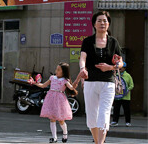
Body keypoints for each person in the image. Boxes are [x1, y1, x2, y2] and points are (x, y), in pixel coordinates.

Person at [78, 11, 123, 144]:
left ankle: (100, 143)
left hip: (108, 83)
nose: (102, 23)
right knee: (91, 115)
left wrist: (110, 67)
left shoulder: (114, 42)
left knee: (104, 114)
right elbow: (82, 58)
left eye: (105, 21)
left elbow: (120, 63)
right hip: (90, 82)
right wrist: (82, 69)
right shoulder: (87, 41)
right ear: (94, 24)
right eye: (99, 20)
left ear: (108, 24)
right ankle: (98, 142)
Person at [30, 62, 80, 143]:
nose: (56, 71)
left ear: (63, 72)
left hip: (59, 101)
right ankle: (54, 137)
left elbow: (71, 88)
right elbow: (43, 85)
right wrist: (35, 83)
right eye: (56, 69)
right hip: (51, 99)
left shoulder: (65, 80)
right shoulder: (52, 78)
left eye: (58, 69)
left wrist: (77, 80)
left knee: (60, 119)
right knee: (52, 119)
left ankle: (65, 134)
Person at [111, 62, 134, 127]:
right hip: (117, 96)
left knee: (127, 110)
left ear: (124, 68)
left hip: (126, 97)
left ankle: (128, 122)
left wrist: (127, 89)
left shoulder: (128, 76)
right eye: (119, 68)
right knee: (116, 109)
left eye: (121, 68)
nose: (120, 69)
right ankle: (115, 121)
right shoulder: (115, 75)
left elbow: (131, 85)